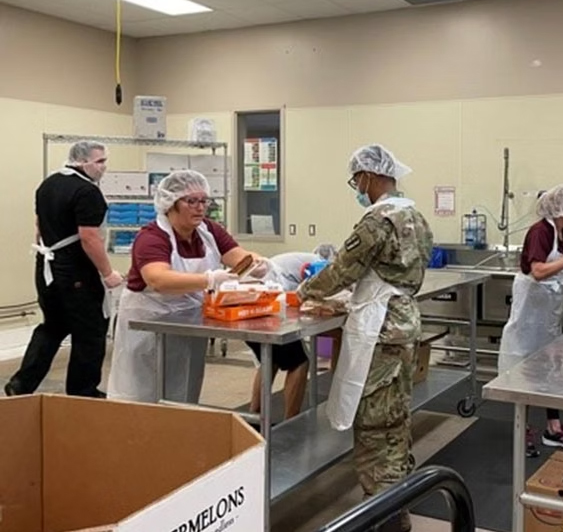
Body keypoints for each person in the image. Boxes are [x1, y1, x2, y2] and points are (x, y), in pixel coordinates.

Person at [295, 144, 432, 532]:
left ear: (369, 176)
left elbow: (342, 270)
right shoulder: (415, 215)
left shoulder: (378, 220)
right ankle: (397, 503)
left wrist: (303, 291)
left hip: (381, 329)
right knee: (396, 420)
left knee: (375, 426)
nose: (356, 187)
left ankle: (383, 515)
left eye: (356, 180)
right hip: (403, 322)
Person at [107, 170, 269, 404]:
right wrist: (209, 280)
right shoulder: (151, 237)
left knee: (183, 390)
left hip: (189, 323)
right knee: (144, 395)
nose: (200, 208)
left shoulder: (209, 231)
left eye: (204, 201)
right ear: (170, 204)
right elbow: (158, 280)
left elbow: (238, 256)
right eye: (191, 201)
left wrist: (257, 263)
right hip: (150, 325)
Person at [5, 141, 123, 398]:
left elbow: (39, 226)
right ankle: (83, 392)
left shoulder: (48, 184)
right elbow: (89, 237)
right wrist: (108, 273)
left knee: (53, 326)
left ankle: (21, 384)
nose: (104, 167)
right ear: (82, 161)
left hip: (48, 265)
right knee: (90, 330)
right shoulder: (87, 192)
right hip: (75, 270)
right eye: (100, 162)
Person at [497, 184, 563, 457]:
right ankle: (523, 429)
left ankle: (554, 428)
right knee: (525, 368)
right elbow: (539, 271)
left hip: (547, 314)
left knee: (551, 367)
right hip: (530, 315)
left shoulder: (561, 233)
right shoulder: (540, 231)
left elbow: (554, 272)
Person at [246, 244, 339, 421]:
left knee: (270, 359)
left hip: (251, 307)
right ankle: (291, 421)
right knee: (299, 362)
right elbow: (314, 293)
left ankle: (254, 415)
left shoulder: (299, 261)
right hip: (267, 306)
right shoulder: (319, 265)